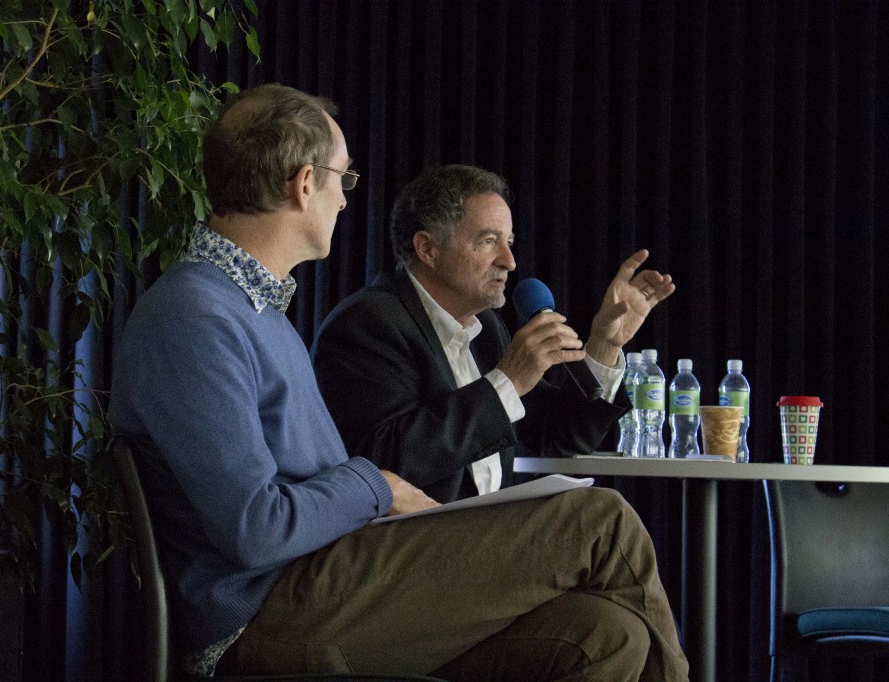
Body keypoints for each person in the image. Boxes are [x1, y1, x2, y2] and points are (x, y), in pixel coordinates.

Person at [108, 83, 688, 681]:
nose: (343, 199)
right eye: (344, 180)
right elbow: (255, 529)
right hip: (270, 613)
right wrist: (376, 484)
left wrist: (603, 348)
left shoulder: (253, 310)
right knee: (600, 520)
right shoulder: (197, 317)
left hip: (334, 578)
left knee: (604, 634)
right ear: (304, 184)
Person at [312, 164, 675, 503]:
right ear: (427, 248)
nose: (509, 261)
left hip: (487, 527)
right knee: (603, 514)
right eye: (488, 241)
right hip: (412, 541)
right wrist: (509, 381)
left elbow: (556, 437)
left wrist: (605, 344)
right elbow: (384, 462)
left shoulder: (486, 329)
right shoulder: (368, 323)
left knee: (599, 509)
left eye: (509, 242)